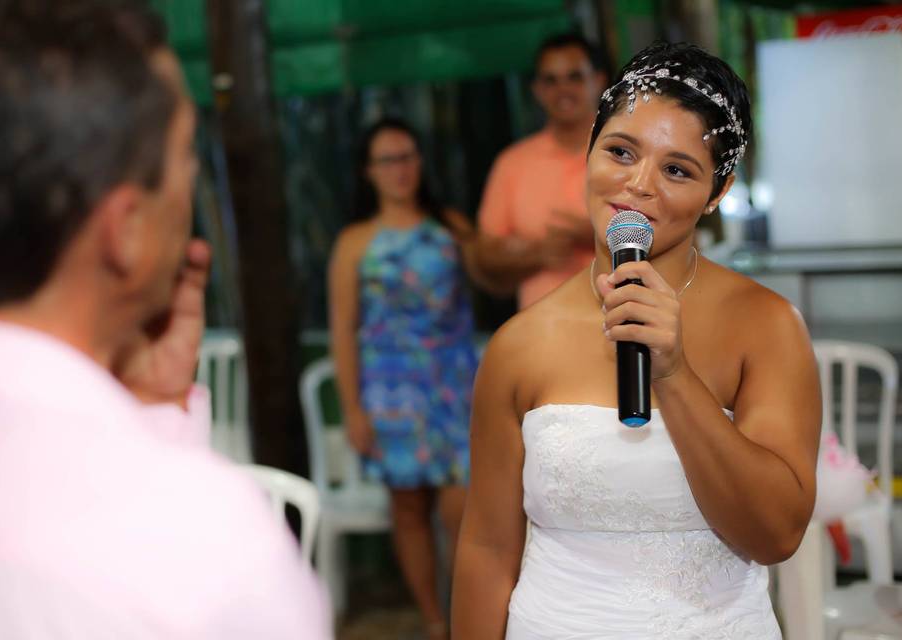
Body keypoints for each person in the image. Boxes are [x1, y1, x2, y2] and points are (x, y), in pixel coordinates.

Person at [0, 3, 329, 638]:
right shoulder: (204, 543)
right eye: (185, 160)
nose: (189, 184)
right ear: (125, 231)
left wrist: (150, 403)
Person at [452, 42, 821, 638]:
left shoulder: (768, 325)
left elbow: (774, 534)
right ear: (589, 150)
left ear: (718, 192)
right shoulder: (518, 344)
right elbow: (488, 551)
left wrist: (673, 374)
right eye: (620, 151)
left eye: (677, 169)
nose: (638, 184)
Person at [328, 117, 505, 639]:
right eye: (387, 159)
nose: (400, 169)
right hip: (390, 390)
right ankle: (433, 623)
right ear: (368, 171)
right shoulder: (355, 241)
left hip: (455, 383)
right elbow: (343, 327)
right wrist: (353, 409)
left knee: (463, 510)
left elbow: (490, 272)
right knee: (406, 508)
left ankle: (469, 619)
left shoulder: (449, 225)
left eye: (407, 156)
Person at [476, 32, 610, 309]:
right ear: (537, 89)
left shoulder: (629, 154)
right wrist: (538, 254)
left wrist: (598, 236)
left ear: (598, 80)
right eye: (551, 80)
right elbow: (484, 258)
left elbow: (678, 244)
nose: (563, 89)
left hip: (623, 333)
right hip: (540, 338)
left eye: (575, 76)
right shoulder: (512, 163)